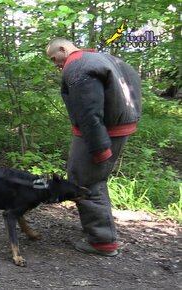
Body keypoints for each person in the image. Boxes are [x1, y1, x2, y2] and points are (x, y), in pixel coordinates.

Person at [46, 38, 141, 256]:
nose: (56, 64)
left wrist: (99, 147)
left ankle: (102, 241)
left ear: (63, 49)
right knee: (94, 180)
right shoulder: (106, 58)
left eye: (54, 59)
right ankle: (102, 233)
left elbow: (88, 112)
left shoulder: (77, 66)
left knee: (84, 182)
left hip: (101, 132)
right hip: (118, 128)